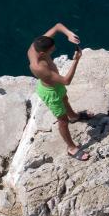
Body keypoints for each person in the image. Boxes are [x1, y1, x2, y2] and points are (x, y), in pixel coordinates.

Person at [27, 23, 90, 160]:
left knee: (65, 99)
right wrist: (76, 60)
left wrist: (69, 34)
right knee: (62, 121)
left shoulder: (37, 45)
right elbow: (66, 80)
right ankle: (71, 148)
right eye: (52, 50)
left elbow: (57, 27)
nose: (54, 49)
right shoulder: (39, 67)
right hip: (51, 92)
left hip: (56, 85)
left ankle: (74, 116)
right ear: (43, 53)